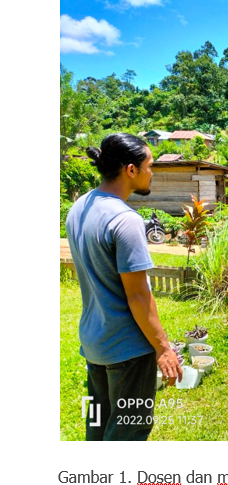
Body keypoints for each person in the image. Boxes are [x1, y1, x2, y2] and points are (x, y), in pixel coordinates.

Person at [66, 133, 182, 441]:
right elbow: (138, 294)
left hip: (95, 343)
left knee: (97, 425)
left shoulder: (79, 207)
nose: (152, 172)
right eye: (149, 165)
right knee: (128, 432)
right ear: (131, 170)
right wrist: (163, 348)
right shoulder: (125, 219)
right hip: (127, 350)